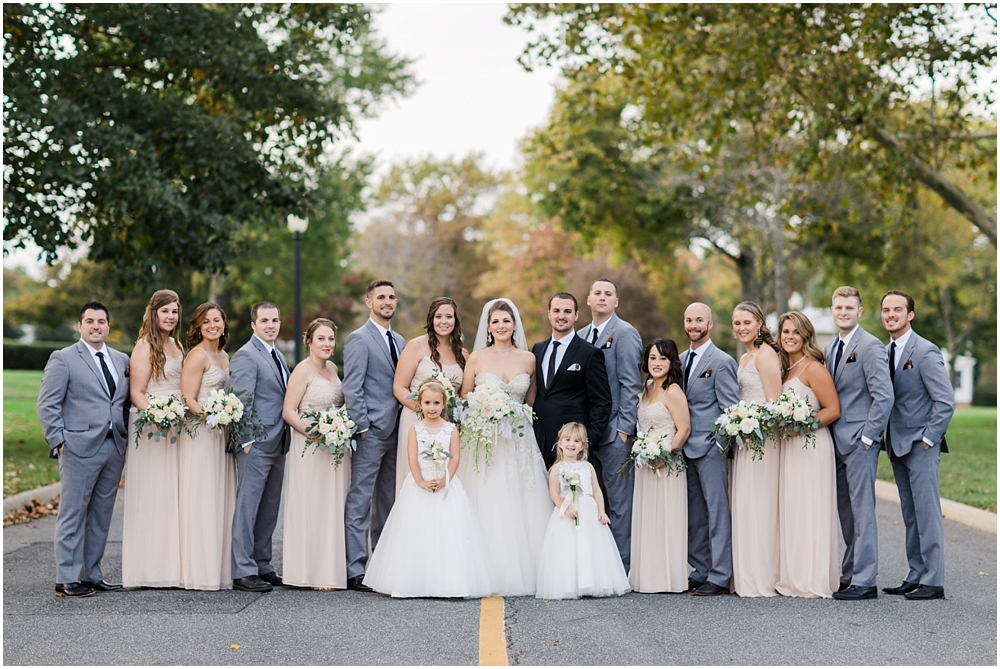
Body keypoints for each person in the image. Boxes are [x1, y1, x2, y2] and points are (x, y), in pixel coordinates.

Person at [457, 298, 553, 596]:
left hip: (520, 439)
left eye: (506, 321)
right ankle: (485, 569)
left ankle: (529, 569)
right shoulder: (476, 358)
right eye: (495, 321)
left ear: (515, 325)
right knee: (490, 496)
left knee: (524, 498)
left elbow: (531, 401)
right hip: (487, 437)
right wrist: (485, 407)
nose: (501, 326)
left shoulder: (528, 359)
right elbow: (465, 397)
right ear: (488, 326)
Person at [363, 381, 495, 598]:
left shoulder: (451, 429)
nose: (431, 408)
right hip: (420, 483)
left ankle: (450, 583)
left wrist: (445, 479)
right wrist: (420, 481)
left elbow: (455, 457)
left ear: (444, 404)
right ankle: (413, 582)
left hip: (445, 484)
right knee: (417, 530)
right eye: (427, 403)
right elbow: (412, 456)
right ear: (419, 404)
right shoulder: (415, 429)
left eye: (436, 403)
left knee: (448, 531)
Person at [38, 302, 131, 598]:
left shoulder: (121, 359)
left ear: (108, 326)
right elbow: (47, 403)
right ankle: (66, 578)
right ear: (79, 326)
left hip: (114, 446)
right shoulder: (63, 358)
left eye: (101, 321)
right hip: (78, 448)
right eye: (89, 321)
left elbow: (123, 402)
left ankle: (91, 575)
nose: (96, 326)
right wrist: (58, 440)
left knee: (101, 516)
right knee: (73, 513)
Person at [880, 290, 955, 601]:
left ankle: (933, 581)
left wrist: (928, 438)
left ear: (910, 315)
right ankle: (916, 574)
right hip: (896, 444)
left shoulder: (925, 351)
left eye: (897, 309)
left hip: (920, 445)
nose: (891, 315)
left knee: (927, 513)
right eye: (886, 310)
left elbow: (945, 401)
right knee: (910, 515)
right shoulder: (885, 351)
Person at [825, 286, 894, 601]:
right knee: (847, 513)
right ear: (833, 310)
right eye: (839, 307)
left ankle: (865, 581)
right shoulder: (830, 347)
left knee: (863, 512)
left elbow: (884, 396)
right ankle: (851, 574)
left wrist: (869, 436)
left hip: (860, 443)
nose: (843, 312)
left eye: (849, 308)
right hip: (836, 442)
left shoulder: (870, 346)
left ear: (860, 311)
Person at [343, 280, 406, 592]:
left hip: (399, 430)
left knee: (388, 501)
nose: (387, 301)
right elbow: (352, 386)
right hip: (371, 431)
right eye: (381, 297)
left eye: (391, 297)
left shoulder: (401, 340)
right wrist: (362, 425)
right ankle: (355, 568)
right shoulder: (359, 339)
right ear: (369, 302)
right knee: (360, 499)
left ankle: (382, 567)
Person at [577, 278, 643, 571]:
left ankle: (621, 568)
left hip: (615, 433)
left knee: (619, 503)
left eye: (608, 294)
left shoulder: (625, 333)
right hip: (586, 434)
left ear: (616, 302)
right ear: (588, 300)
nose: (602, 297)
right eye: (597, 293)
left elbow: (631, 383)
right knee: (592, 501)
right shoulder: (580, 335)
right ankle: (598, 566)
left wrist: (624, 429)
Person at [774, 311, 841, 598]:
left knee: (812, 507)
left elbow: (833, 409)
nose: (790, 336)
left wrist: (803, 425)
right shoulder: (783, 369)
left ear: (806, 335)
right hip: (789, 448)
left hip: (812, 446)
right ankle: (794, 575)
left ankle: (814, 578)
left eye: (796, 332)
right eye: (785, 331)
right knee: (794, 508)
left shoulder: (813, 368)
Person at [281, 319, 350, 590]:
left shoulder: (332, 368)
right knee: (311, 504)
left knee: (331, 506)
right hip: (309, 446)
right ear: (309, 341)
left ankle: (329, 570)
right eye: (321, 338)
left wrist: (337, 429)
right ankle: (308, 572)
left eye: (331, 339)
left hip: (334, 446)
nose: (327, 344)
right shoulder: (302, 370)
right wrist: (315, 433)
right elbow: (289, 411)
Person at [122, 289, 185, 588]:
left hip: (178, 426)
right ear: (154, 313)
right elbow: (137, 392)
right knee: (156, 493)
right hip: (153, 427)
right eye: (165, 311)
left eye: (174, 311)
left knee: (175, 495)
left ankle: (174, 566)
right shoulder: (145, 345)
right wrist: (159, 416)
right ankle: (151, 569)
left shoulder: (176, 344)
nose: (170, 316)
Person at [229, 301, 290, 593]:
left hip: (279, 442)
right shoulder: (246, 355)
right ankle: (243, 570)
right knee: (248, 507)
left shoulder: (277, 354)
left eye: (274, 320)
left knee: (269, 508)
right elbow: (242, 400)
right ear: (253, 324)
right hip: (256, 444)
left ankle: (263, 564)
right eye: (264, 320)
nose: (270, 325)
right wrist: (247, 441)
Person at [679, 303, 739, 597]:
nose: (694, 325)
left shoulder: (722, 361)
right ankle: (701, 570)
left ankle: (720, 575)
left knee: (717, 513)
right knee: (695, 514)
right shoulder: (679, 360)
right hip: (684, 447)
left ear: (710, 324)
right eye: (689, 320)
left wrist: (720, 445)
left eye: (699, 320)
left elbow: (730, 409)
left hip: (711, 448)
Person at [178, 302, 238, 591]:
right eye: (206, 321)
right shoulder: (197, 355)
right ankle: (200, 571)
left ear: (224, 324)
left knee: (220, 496)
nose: (212, 325)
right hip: (202, 434)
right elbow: (188, 399)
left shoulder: (224, 356)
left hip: (222, 434)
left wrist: (227, 416)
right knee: (203, 495)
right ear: (198, 327)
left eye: (217, 320)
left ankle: (220, 568)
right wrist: (213, 416)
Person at [535, 422, 630, 600]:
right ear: (560, 443)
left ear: (583, 446)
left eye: (577, 441)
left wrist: (602, 511)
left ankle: (592, 582)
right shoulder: (556, 469)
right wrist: (566, 509)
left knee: (590, 546)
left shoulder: (588, 467)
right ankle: (570, 584)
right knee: (569, 547)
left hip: (588, 512)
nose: (571, 444)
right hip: (568, 513)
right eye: (567, 440)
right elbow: (554, 493)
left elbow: (597, 491)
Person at [730, 301, 783, 597]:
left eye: (747, 322)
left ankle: (763, 574)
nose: (742, 328)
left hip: (763, 439)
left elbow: (774, 403)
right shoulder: (743, 357)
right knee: (746, 503)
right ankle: (747, 572)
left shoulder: (766, 354)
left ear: (760, 324)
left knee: (760, 502)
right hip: (745, 439)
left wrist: (750, 423)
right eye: (737, 323)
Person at [630, 339, 691, 594]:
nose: (656, 363)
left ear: (671, 361)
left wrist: (664, 455)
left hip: (667, 465)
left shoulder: (673, 391)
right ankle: (647, 575)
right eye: (652, 358)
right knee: (648, 518)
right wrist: (646, 452)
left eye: (662, 358)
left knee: (666, 517)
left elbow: (684, 429)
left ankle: (667, 577)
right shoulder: (646, 388)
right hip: (646, 465)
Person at [392, 297, 468, 495]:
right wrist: (427, 411)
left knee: (445, 477)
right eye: (438, 316)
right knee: (416, 476)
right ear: (431, 319)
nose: (444, 321)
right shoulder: (416, 346)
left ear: (455, 320)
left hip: (447, 425)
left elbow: (463, 396)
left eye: (449, 317)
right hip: (416, 420)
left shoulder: (463, 355)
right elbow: (399, 387)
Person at [532, 292, 613, 471]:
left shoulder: (589, 353)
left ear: (576, 315)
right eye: (556, 311)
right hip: (539, 440)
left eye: (567, 311)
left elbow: (602, 401)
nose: (561, 316)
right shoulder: (538, 349)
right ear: (549, 314)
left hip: (571, 446)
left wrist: (587, 440)